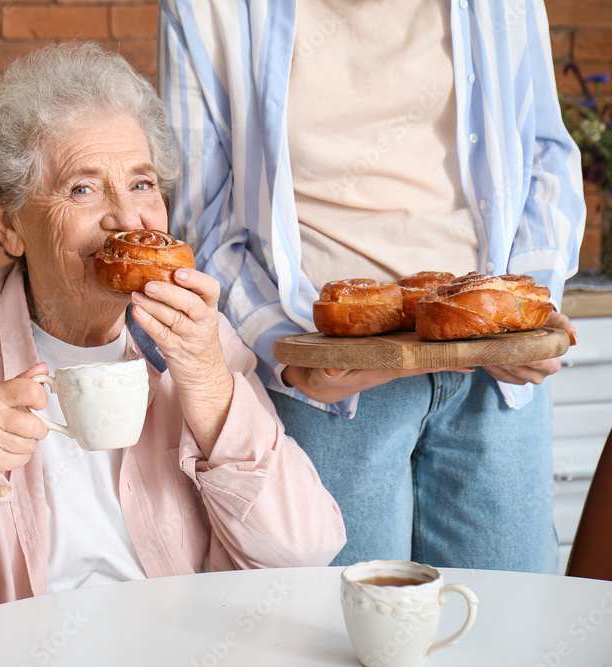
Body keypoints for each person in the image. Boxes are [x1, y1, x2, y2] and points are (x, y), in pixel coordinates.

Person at [0, 43, 345, 651]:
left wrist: (210, 386)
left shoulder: (199, 339)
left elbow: (306, 551)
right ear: (10, 223)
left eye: (142, 183)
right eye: (82, 191)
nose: (128, 219)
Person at [159, 0, 585, 573]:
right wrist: (293, 357)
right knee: (334, 644)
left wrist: (524, 305)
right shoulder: (205, 9)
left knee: (508, 636)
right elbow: (203, 219)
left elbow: (544, 152)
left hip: (494, 377)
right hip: (330, 387)